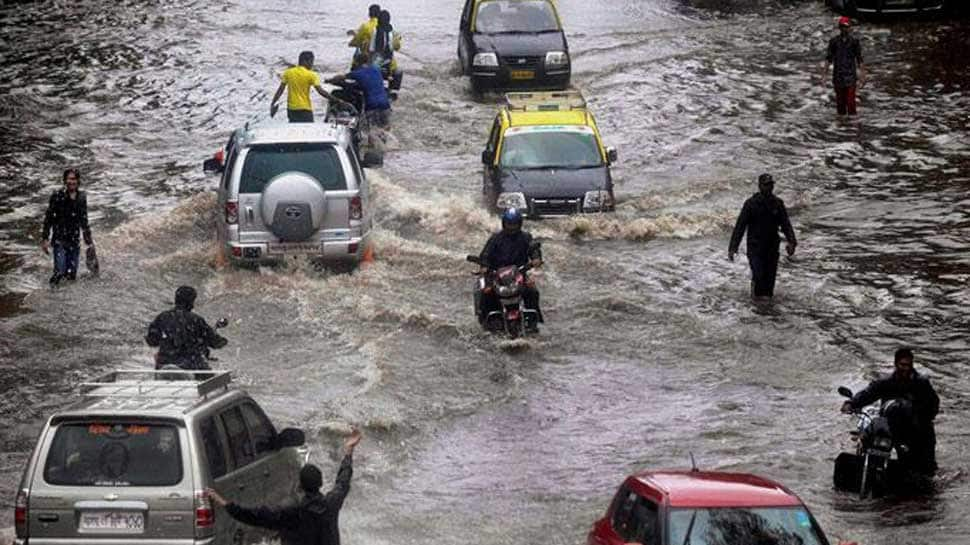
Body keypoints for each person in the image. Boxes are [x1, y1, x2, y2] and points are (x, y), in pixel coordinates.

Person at [207, 429, 363, 545]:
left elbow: (255, 516)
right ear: (321, 483)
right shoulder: (331, 504)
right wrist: (349, 451)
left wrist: (224, 503)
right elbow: (343, 481)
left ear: (300, 486)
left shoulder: (292, 513)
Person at [841, 348, 940, 474]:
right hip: (890, 425)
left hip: (915, 426)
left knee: (926, 466)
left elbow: (933, 404)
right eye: (902, 365)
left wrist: (922, 417)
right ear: (896, 364)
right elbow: (868, 393)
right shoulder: (886, 382)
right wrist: (851, 403)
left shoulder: (921, 383)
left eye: (909, 365)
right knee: (869, 437)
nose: (906, 368)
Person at [728, 173, 797, 301]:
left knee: (769, 282)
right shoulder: (751, 204)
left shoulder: (777, 203)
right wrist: (733, 248)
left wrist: (792, 242)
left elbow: (786, 224)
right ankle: (754, 301)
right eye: (766, 185)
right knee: (758, 276)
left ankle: (766, 310)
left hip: (772, 247)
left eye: (771, 185)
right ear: (760, 186)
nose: (769, 188)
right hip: (755, 248)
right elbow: (740, 226)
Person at [478, 208, 544, 330]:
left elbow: (533, 248)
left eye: (514, 224)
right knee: (486, 293)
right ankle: (486, 321)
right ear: (504, 223)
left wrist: (536, 259)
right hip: (496, 275)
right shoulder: (495, 239)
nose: (512, 227)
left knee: (532, 291)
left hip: (519, 274)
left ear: (520, 224)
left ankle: (533, 320)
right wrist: (484, 266)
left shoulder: (526, 237)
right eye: (509, 224)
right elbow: (486, 254)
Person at [145, 286, 227, 370]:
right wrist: (222, 340)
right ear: (191, 302)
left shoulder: (162, 317)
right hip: (191, 366)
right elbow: (214, 342)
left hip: (165, 365)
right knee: (212, 379)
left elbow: (151, 341)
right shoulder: (196, 320)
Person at [327, 52, 391, 150]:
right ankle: (386, 147)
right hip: (385, 104)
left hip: (371, 105)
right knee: (384, 128)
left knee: (370, 130)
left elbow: (340, 78)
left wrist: (329, 80)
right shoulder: (376, 70)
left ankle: (373, 150)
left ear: (356, 62)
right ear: (368, 61)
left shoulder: (356, 73)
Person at [41, 168, 94, 286]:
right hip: (59, 240)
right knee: (59, 272)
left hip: (74, 241)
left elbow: (84, 220)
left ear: (78, 181)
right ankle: (52, 294)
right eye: (69, 179)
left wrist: (89, 241)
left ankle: (67, 301)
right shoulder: (57, 196)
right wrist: (45, 238)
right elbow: (48, 218)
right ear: (65, 181)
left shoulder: (81, 197)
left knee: (71, 276)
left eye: (74, 179)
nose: (72, 181)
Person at [270, 51, 348, 123]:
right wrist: (337, 100)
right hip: (305, 109)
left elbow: (280, 90)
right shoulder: (311, 75)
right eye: (311, 62)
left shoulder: (288, 73)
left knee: (295, 131)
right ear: (305, 61)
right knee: (308, 130)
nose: (312, 65)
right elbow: (321, 92)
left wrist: (273, 103)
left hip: (291, 109)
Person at [822, 16, 866, 116]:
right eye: (842, 26)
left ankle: (852, 126)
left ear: (850, 27)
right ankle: (842, 126)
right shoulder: (834, 42)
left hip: (850, 76)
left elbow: (859, 59)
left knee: (851, 104)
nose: (844, 29)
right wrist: (824, 75)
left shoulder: (854, 42)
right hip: (838, 76)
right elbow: (829, 59)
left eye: (846, 26)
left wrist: (863, 76)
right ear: (839, 28)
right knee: (840, 105)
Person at [368, 9, 403, 92]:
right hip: (389, 60)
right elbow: (396, 47)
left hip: (377, 60)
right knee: (394, 72)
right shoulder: (393, 31)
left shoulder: (375, 30)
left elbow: (371, 48)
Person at [348, 4, 381, 69]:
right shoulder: (386, 26)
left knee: (356, 59)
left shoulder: (365, 26)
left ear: (369, 14)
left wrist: (351, 43)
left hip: (368, 56)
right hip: (381, 55)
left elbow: (357, 39)